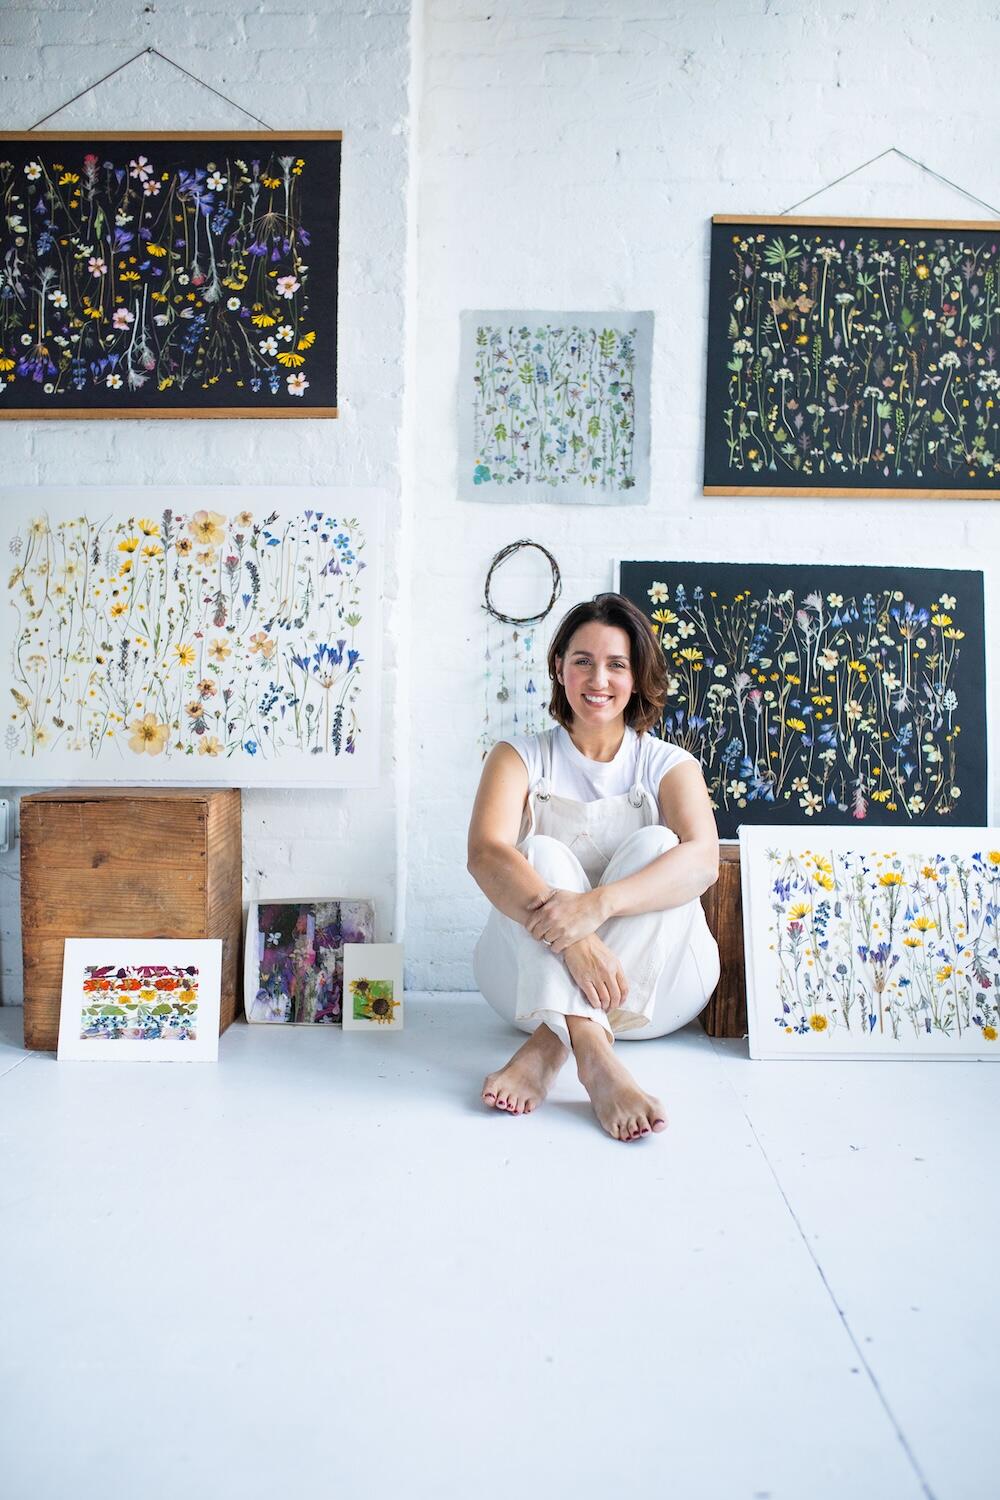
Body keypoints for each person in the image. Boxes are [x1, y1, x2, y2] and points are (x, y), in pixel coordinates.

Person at [467, 592, 720, 1142]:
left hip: (655, 995)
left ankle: (551, 1046)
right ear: (559, 667)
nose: (598, 679)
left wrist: (594, 909)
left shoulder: (668, 764)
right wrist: (576, 942)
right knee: (538, 855)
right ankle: (596, 1057)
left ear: (637, 676)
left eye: (616, 664)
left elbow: (704, 861)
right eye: (583, 660)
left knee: (660, 843)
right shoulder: (518, 756)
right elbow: (484, 853)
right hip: (521, 991)